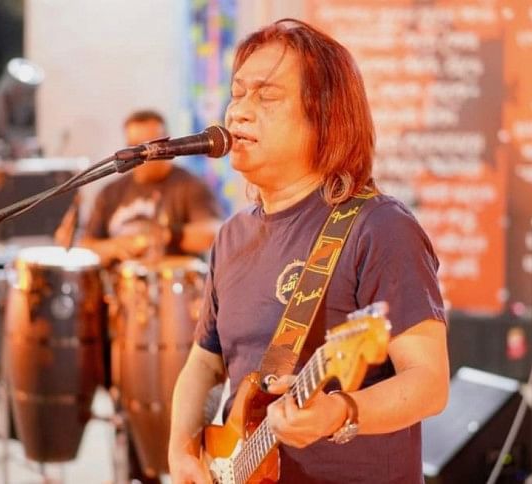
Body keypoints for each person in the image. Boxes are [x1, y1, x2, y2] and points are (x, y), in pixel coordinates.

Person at [168, 19, 449, 483]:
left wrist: (339, 412)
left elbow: (428, 382)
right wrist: (181, 449)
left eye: (267, 96)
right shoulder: (232, 235)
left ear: (324, 118)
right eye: (237, 93)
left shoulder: (380, 228)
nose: (238, 112)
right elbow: (205, 361)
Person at [56, 110, 221, 264]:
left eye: (148, 146)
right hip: (119, 281)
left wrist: (167, 235)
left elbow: (213, 233)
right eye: (134, 146)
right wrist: (113, 247)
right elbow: (86, 244)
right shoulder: (111, 192)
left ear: (167, 146)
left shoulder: (190, 185)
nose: (142, 153)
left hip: (171, 282)